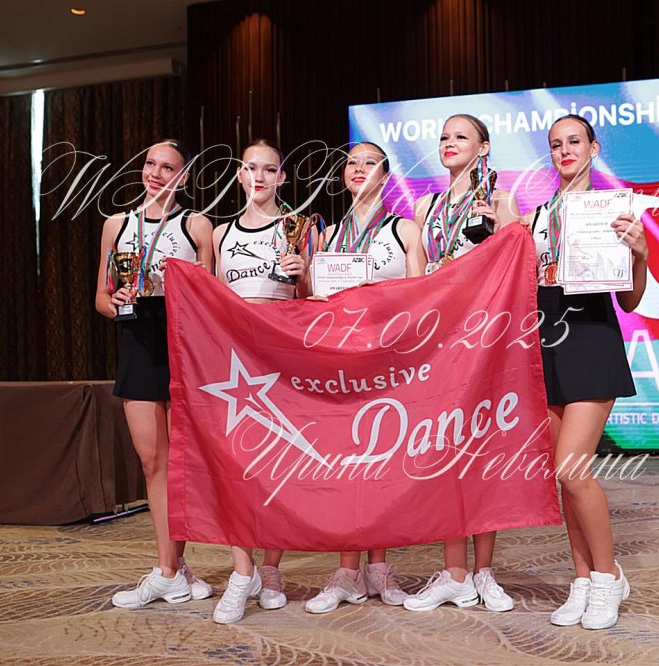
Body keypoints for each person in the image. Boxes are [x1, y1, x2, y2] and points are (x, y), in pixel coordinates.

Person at [523, 114, 647, 630]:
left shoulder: (614, 213)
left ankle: (608, 577)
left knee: (572, 471)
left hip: (592, 342)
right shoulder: (534, 217)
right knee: (561, 478)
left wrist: (640, 254)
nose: (565, 151)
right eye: (556, 144)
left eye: (574, 141)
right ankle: (582, 580)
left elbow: (631, 300)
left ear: (593, 148)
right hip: (546, 346)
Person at [403, 114, 520, 613]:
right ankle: (454, 574)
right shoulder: (424, 207)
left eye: (461, 137)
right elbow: (415, 281)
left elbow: (517, 269)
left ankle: (484, 572)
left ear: (484, 147)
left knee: (482, 452)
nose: (449, 143)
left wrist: (498, 233)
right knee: (445, 453)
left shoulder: (501, 201)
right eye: (444, 137)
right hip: (438, 342)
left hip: (484, 339)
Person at [303, 142, 426, 614]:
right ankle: (346, 570)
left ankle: (379, 567)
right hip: (340, 366)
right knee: (345, 467)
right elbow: (313, 303)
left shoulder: (404, 229)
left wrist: (385, 297)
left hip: (389, 363)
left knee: (383, 467)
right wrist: (313, 294)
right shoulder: (328, 235)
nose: (358, 169)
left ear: (386, 175)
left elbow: (422, 297)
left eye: (369, 162)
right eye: (351, 163)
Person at [94, 139, 214, 608]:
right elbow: (101, 298)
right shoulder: (117, 224)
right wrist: (117, 300)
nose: (156, 173)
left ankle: (171, 569)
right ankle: (172, 569)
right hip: (138, 346)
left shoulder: (196, 224)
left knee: (183, 464)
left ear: (183, 177)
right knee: (152, 463)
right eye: (150, 164)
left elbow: (211, 294)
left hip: (184, 348)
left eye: (167, 167)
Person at [205, 138, 316, 624]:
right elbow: (208, 301)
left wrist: (304, 274)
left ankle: (271, 569)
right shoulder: (220, 233)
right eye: (251, 168)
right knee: (234, 467)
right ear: (239, 174)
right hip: (233, 365)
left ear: (282, 178)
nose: (260, 177)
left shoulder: (300, 227)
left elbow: (315, 300)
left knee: (276, 466)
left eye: (270, 169)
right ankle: (241, 571)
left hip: (281, 360)